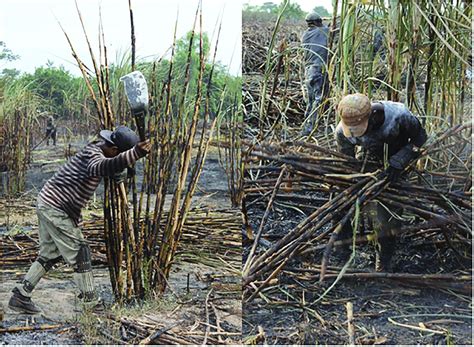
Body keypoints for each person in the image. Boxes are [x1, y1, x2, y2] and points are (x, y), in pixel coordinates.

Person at [8, 125, 151, 314]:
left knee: (50, 254)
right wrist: (136, 153)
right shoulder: (92, 155)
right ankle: (91, 303)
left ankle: (20, 296)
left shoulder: (102, 152)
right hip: (55, 207)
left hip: (50, 203)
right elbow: (102, 166)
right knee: (80, 252)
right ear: (114, 150)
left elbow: (112, 166)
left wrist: (125, 170)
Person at [335, 93, 427, 272]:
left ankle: (384, 260)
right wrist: (353, 181)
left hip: (396, 163)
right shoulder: (343, 130)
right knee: (341, 205)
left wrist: (402, 158)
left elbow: (420, 138)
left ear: (371, 116)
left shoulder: (399, 115)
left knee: (388, 214)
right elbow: (347, 161)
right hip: (367, 161)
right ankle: (342, 253)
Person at [301, 12, 329, 135]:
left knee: (311, 100)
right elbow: (334, 30)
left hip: (308, 71)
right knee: (319, 99)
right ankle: (312, 128)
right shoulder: (323, 31)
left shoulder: (305, 35)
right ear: (318, 22)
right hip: (318, 70)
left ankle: (306, 126)